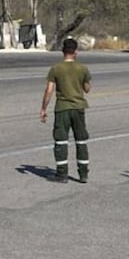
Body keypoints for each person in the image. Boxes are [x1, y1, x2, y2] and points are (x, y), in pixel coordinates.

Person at [39, 38, 92, 183]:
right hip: (78, 108)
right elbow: (87, 89)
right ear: (76, 52)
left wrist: (43, 108)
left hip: (62, 108)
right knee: (81, 141)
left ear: (63, 51)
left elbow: (49, 90)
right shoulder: (82, 69)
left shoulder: (56, 69)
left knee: (61, 141)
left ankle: (62, 174)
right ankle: (83, 174)